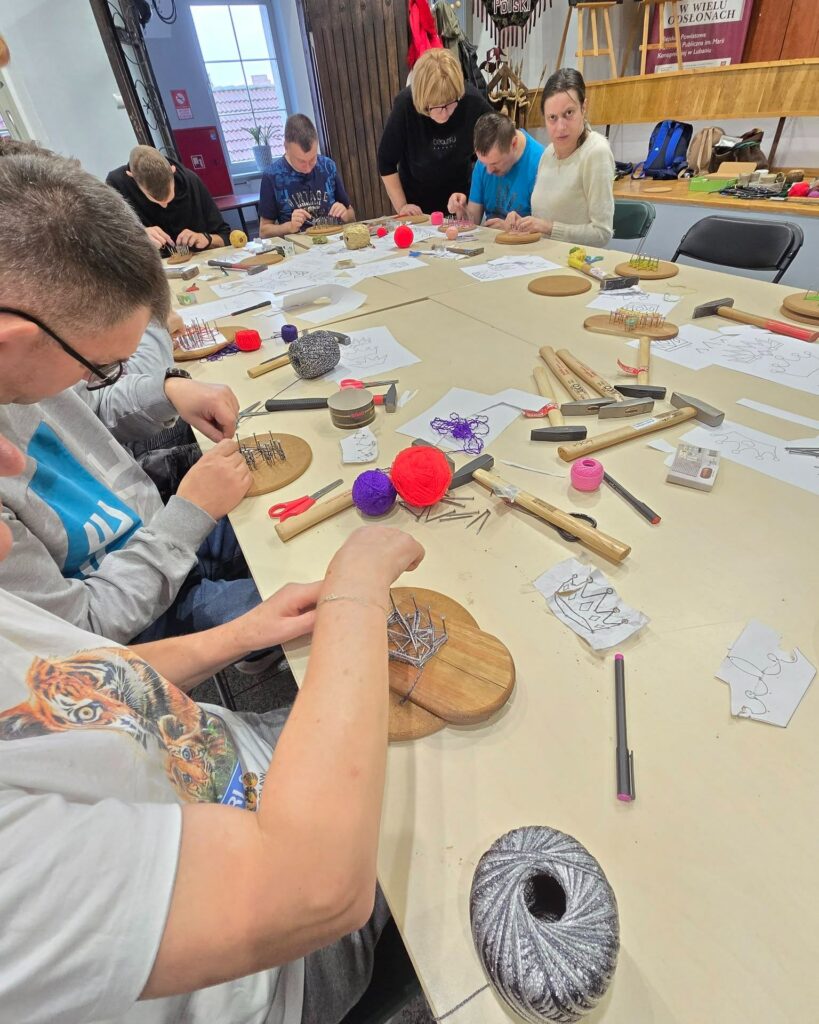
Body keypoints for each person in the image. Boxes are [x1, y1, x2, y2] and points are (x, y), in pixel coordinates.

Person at [0, 436, 425, 1023]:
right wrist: (358, 585)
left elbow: (71, 681)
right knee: (466, 777)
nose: (12, 461)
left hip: (227, 758)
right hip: (283, 957)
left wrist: (245, 632)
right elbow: (315, 891)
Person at [0, 154, 265, 651]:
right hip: (139, 621)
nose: (97, 379)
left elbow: (86, 408)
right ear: (11, 343)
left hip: (157, 530)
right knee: (324, 606)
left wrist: (167, 390)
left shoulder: (27, 369)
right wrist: (189, 515)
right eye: (102, 366)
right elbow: (84, 636)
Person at [377, 48, 493, 216]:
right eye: (437, 107)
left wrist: (474, 199)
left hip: (460, 202)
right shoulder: (405, 105)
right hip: (417, 208)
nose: (444, 113)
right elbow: (385, 161)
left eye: (450, 104)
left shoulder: (472, 101)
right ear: (422, 101)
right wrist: (402, 206)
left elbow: (494, 145)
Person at [507, 68, 615, 247]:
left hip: (577, 259)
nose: (561, 127)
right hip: (542, 256)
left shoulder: (596, 152)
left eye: (569, 113)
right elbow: (544, 218)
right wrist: (524, 223)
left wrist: (549, 228)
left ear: (584, 107)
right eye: (552, 117)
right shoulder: (548, 153)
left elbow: (602, 233)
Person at [106, 145, 230, 252]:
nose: (164, 205)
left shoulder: (191, 181)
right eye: (155, 199)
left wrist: (207, 239)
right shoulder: (117, 187)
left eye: (169, 197)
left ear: (172, 170)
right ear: (131, 176)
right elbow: (108, 246)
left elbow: (226, 237)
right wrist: (138, 235)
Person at [259, 114, 355, 238]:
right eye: (301, 161)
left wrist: (345, 214)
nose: (308, 168)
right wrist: (289, 227)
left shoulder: (328, 166)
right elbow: (264, 231)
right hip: (298, 245)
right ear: (286, 148)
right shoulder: (272, 176)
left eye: (313, 159)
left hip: (334, 240)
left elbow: (351, 214)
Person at [447, 111, 544, 226]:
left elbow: (544, 230)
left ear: (513, 144)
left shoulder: (540, 164)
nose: (488, 170)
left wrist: (510, 229)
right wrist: (461, 208)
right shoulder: (484, 162)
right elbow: (473, 222)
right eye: (483, 163)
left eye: (495, 163)